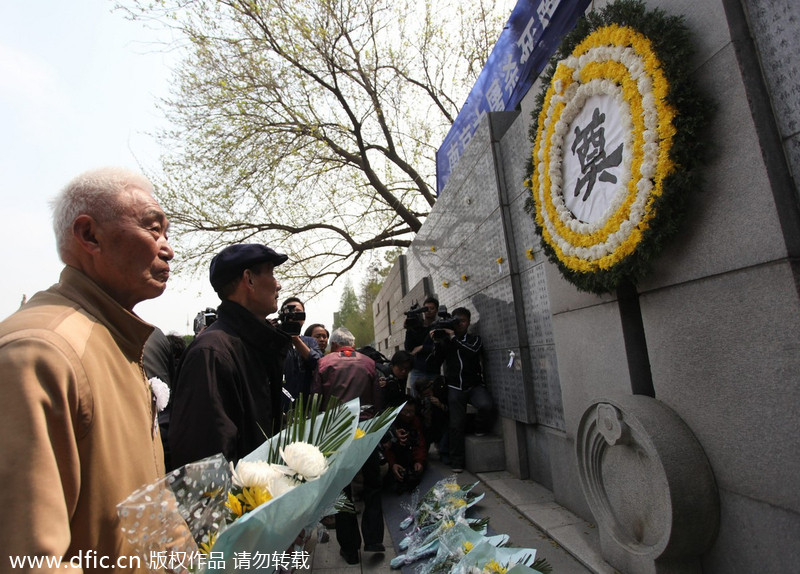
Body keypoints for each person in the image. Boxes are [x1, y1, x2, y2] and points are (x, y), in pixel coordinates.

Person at [0, 167, 173, 571]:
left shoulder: (117, 339)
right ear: (89, 235)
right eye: (153, 229)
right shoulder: (39, 354)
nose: (167, 248)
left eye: (167, 233)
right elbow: (29, 560)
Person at [169, 244, 292, 468]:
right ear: (249, 280)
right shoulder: (212, 354)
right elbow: (205, 466)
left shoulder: (257, 345)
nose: (278, 284)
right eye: (272, 273)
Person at [311, 327, 385, 564]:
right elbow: (376, 400)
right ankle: (374, 540)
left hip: (337, 432)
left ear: (333, 345)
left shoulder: (324, 364)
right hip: (367, 431)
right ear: (352, 344)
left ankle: (350, 550)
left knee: (342, 492)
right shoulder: (369, 363)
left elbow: (316, 400)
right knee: (372, 486)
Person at [429, 307, 494, 473]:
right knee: (455, 424)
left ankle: (478, 428)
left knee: (486, 406)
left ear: (468, 322)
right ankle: (457, 461)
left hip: (474, 385)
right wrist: (436, 343)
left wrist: (453, 338)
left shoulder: (474, 339)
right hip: (454, 386)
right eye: (457, 321)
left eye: (463, 321)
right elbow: (434, 363)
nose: (460, 324)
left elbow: (471, 352)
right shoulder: (446, 341)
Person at [279, 297, 323, 410]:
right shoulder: (274, 338)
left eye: (298, 312)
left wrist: (296, 339)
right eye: (289, 311)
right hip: (280, 405)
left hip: (306, 405)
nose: (293, 315)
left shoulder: (310, 341)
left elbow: (319, 364)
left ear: (303, 317)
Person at [383, 399, 427, 494]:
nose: (408, 415)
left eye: (411, 412)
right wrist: (392, 464)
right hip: (394, 455)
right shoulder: (391, 424)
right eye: (405, 411)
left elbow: (420, 443)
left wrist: (419, 461)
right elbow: (387, 449)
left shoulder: (416, 421)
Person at [404, 296, 441, 396]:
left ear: (437, 310)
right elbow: (409, 349)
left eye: (432, 308)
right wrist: (409, 329)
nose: (428, 311)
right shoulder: (417, 327)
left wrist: (422, 348)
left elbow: (440, 347)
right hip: (417, 370)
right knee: (415, 401)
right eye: (426, 308)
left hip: (433, 371)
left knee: (435, 400)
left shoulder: (439, 326)